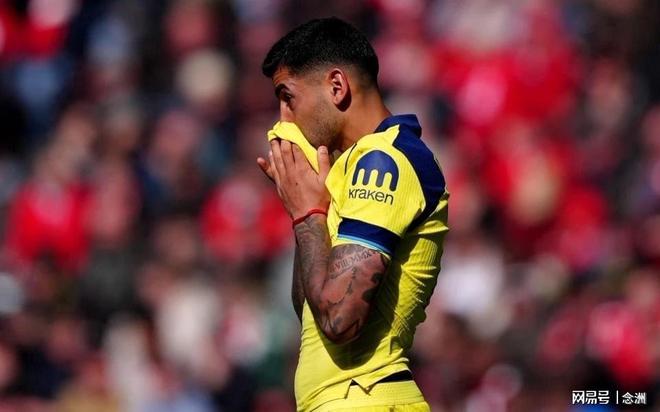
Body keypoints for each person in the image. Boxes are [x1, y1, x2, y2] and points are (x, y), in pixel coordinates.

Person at [257, 17, 449, 412]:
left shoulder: (384, 161)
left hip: (366, 398)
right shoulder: (350, 166)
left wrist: (307, 214)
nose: (283, 118)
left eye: (288, 97)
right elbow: (310, 308)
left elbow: (339, 318)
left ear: (336, 86)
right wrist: (308, 208)